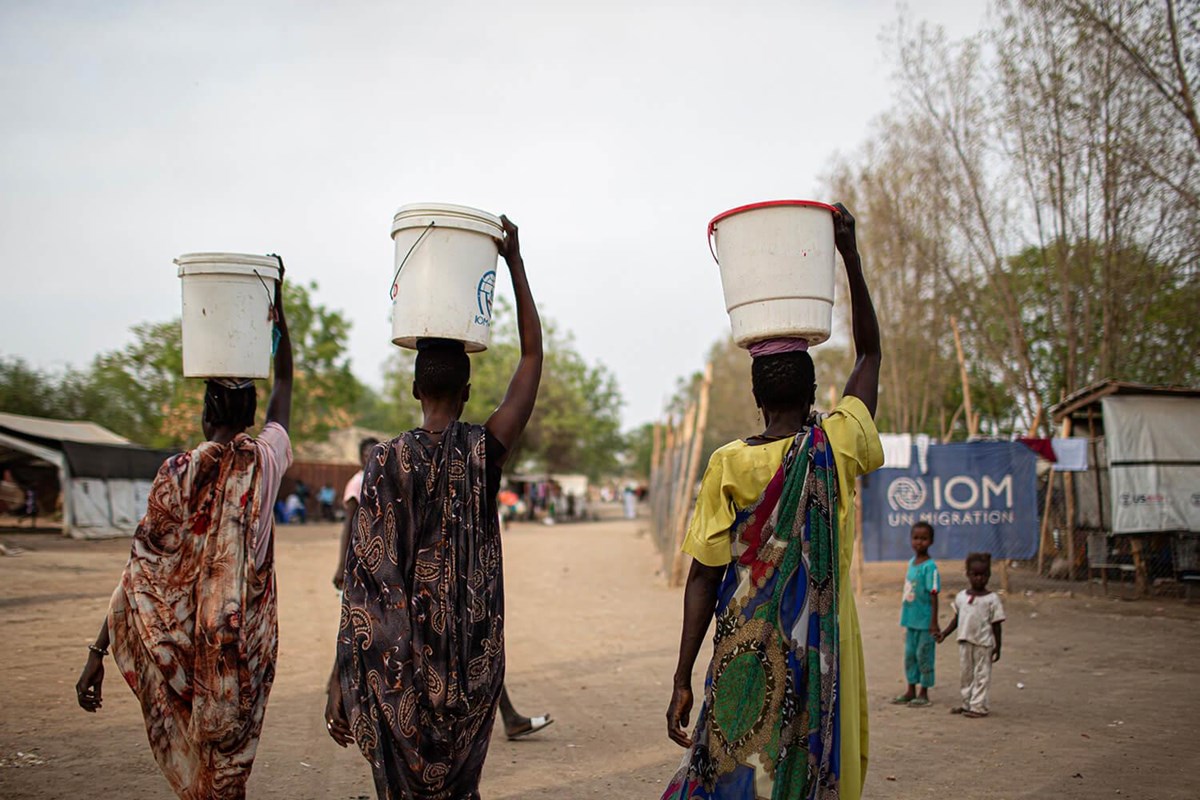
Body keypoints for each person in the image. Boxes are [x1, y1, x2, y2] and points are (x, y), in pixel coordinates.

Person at [663, 204, 881, 800]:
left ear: (755, 394)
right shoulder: (836, 444)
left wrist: (683, 677)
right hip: (823, 647)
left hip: (744, 656)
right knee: (810, 769)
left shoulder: (728, 464)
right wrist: (849, 257)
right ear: (814, 390)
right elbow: (869, 357)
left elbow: (703, 578)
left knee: (734, 765)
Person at [325, 215, 543, 799]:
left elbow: (363, 586)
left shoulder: (381, 463)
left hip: (398, 675)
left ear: (415, 391)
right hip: (471, 669)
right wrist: (514, 262)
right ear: (468, 392)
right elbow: (530, 362)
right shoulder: (484, 451)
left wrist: (339, 678)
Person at [74, 259, 293, 799]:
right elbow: (284, 382)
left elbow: (140, 572)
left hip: (185, 657)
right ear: (249, 411)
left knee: (204, 776)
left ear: (204, 413)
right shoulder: (266, 461)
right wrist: (278, 319)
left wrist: (97, 653)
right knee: (229, 773)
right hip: (241, 653)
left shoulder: (175, 475)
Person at [937, 552, 1005, 718]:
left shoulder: (992, 599)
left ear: (988, 575)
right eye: (975, 575)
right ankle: (967, 703)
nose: (979, 579)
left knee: (982, 675)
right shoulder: (961, 597)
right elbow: (957, 619)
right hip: (964, 642)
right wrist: (944, 634)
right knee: (966, 674)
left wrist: (998, 646)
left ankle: (979, 706)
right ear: (968, 574)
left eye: (983, 575)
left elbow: (997, 625)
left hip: (983, 644)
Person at [893, 521, 940, 707]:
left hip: (925, 621)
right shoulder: (912, 563)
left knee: (924, 654)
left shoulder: (930, 567)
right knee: (910, 654)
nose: (919, 542)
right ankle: (910, 688)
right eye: (915, 538)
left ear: (931, 541)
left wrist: (934, 622)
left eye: (923, 538)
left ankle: (924, 692)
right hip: (910, 620)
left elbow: (934, 594)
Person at [332, 436, 381, 591]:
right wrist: (341, 566)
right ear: (361, 458)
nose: (373, 459)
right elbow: (348, 525)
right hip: (361, 555)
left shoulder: (382, 483)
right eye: (368, 455)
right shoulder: (357, 484)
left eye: (377, 454)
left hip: (381, 558)